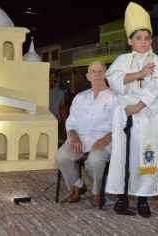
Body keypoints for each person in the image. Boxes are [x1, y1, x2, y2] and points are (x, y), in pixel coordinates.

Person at [105, 2, 158, 218]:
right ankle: (122, 198)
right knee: (123, 156)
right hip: (124, 116)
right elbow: (115, 81)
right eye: (138, 38)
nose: (143, 42)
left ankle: (143, 200)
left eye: (147, 38)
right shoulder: (122, 60)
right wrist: (138, 74)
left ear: (151, 40)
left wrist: (136, 107)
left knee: (146, 157)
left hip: (147, 117)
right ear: (130, 40)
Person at [55, 61, 117, 206]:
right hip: (80, 138)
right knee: (61, 156)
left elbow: (120, 125)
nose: (97, 74)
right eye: (93, 71)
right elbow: (71, 123)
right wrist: (75, 138)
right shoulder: (80, 97)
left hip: (104, 140)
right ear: (88, 76)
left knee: (95, 160)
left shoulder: (115, 97)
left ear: (106, 74)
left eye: (101, 71)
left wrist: (106, 138)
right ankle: (78, 185)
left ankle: (97, 192)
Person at [49, 70, 67, 140]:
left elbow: (61, 108)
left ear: (57, 78)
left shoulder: (60, 92)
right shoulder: (42, 90)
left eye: (55, 77)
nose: (53, 79)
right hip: (43, 121)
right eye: (51, 77)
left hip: (55, 123)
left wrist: (65, 123)